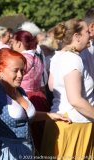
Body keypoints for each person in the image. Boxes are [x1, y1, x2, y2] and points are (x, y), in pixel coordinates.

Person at [0, 48, 70, 160]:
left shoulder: (20, 91)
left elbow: (24, 116)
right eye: (15, 70)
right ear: (0, 72)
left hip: (26, 151)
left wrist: (50, 115)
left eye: (22, 70)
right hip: (4, 155)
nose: (20, 75)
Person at [41, 18, 94, 158]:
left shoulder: (58, 56)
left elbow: (52, 87)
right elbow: (75, 100)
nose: (90, 35)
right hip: (73, 124)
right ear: (77, 36)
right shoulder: (73, 59)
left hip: (61, 122)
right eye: (87, 32)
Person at [11, 30, 50, 152]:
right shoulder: (36, 56)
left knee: (28, 137)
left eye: (13, 42)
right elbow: (44, 81)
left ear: (18, 43)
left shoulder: (22, 59)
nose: (12, 45)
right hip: (39, 97)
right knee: (40, 137)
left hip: (26, 99)